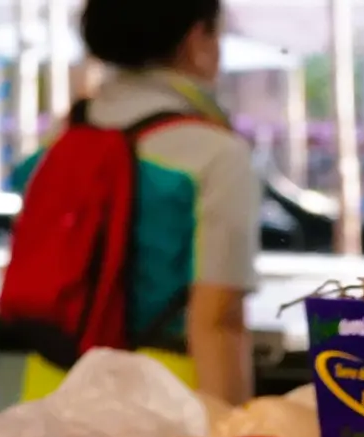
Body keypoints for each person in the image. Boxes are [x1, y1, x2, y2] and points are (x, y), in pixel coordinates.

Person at [68, 0, 258, 401]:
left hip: (54, 394)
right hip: (167, 406)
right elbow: (218, 319)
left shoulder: (66, 138)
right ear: (197, 41)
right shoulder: (215, 154)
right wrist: (233, 432)